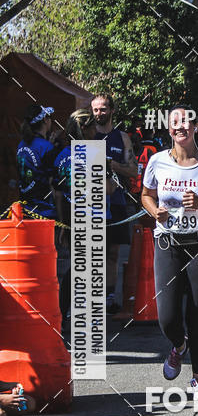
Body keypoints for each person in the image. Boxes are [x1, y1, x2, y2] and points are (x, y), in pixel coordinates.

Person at [141, 106, 198, 389]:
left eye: (186, 122)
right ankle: (179, 347)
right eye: (175, 122)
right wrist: (155, 211)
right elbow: (146, 195)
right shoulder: (157, 161)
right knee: (167, 317)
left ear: (195, 128)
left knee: (196, 312)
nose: (181, 127)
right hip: (169, 243)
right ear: (169, 129)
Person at [54, 109, 117, 323]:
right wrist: (112, 175)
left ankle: (64, 313)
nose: (96, 131)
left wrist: (63, 224)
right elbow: (108, 189)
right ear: (85, 128)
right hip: (94, 218)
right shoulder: (94, 153)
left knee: (77, 267)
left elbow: (59, 194)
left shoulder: (62, 155)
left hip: (72, 218)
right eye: (93, 127)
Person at [92, 93, 138, 313]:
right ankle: (92, 298)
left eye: (103, 109)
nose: (99, 113)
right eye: (95, 110)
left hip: (117, 202)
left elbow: (133, 170)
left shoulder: (122, 138)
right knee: (92, 254)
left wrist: (113, 166)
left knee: (112, 253)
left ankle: (109, 298)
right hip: (91, 205)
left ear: (111, 110)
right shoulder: (87, 137)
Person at [16, 104, 60, 219]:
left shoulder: (21, 145)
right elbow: (54, 184)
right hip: (45, 212)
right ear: (45, 120)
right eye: (49, 117)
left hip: (25, 210)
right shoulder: (47, 148)